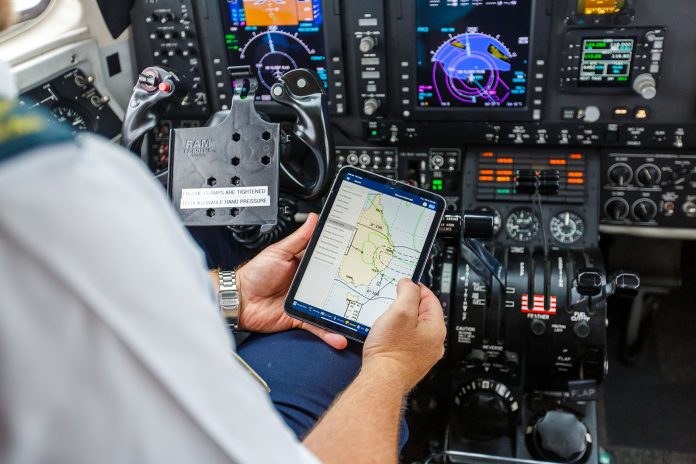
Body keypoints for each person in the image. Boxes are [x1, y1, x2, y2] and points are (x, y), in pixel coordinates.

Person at [0, 1, 447, 462]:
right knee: (341, 353)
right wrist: (392, 366)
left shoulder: (52, 182)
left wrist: (235, 295)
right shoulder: (54, 189)